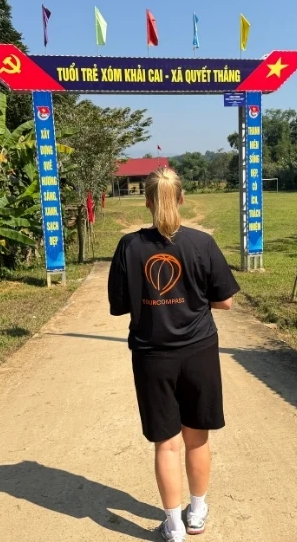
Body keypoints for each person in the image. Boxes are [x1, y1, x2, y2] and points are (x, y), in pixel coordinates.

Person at [108, 168, 240, 541]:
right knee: (197, 438)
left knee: (166, 444)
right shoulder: (202, 244)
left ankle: (174, 524)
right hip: (199, 352)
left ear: (147, 201)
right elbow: (225, 301)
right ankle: (196, 512)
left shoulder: (129, 247)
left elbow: (120, 306)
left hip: (151, 357)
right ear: (181, 198)